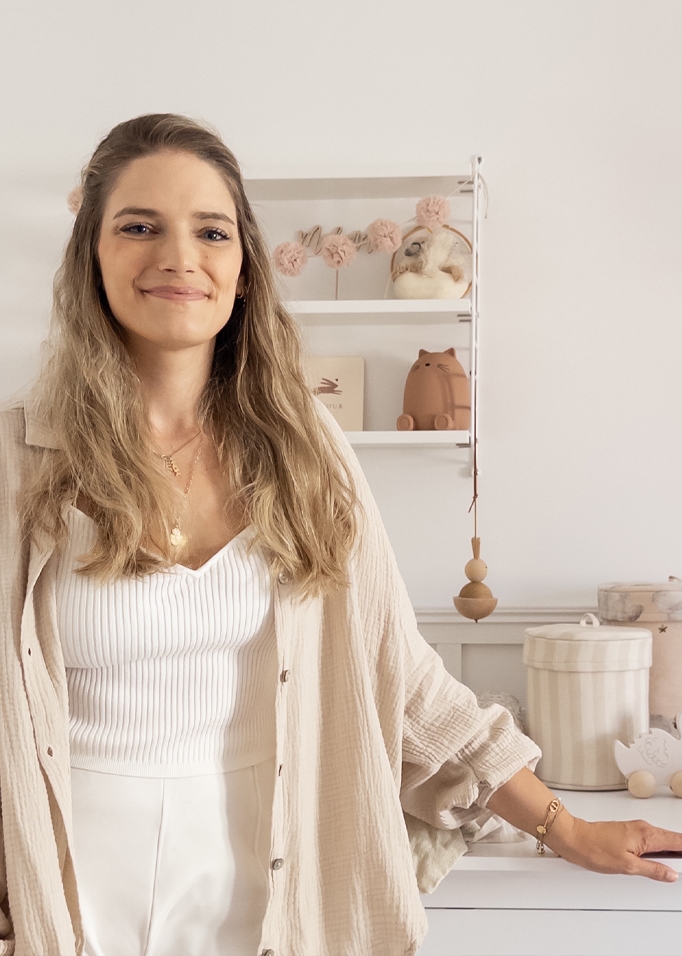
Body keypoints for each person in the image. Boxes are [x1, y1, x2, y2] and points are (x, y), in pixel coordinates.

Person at [0, 113, 680, 956]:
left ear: (243, 268)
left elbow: (403, 677)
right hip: (71, 886)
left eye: (210, 231)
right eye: (138, 226)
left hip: (273, 882)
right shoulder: (18, 460)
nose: (177, 256)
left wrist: (564, 825)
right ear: (90, 257)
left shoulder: (306, 450)